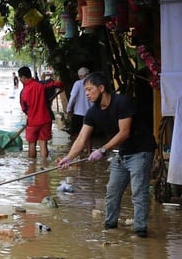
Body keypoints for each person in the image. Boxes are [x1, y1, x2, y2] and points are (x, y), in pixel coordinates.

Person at [57, 71, 156, 238]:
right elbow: (81, 138)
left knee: (138, 193)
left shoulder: (122, 102)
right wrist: (68, 158)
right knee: (112, 191)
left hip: (141, 151)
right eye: (85, 90)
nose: (87, 93)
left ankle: (140, 234)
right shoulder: (92, 112)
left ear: (101, 88)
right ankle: (110, 229)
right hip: (122, 153)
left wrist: (102, 150)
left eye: (90, 89)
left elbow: (124, 132)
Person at [18, 66, 63, 160]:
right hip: (46, 119)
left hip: (32, 121)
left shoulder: (23, 92)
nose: (20, 80)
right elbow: (59, 84)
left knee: (31, 144)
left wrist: (31, 114)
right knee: (43, 143)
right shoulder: (42, 85)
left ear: (23, 77)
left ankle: (32, 165)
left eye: (20, 78)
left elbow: (24, 108)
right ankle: (44, 164)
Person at [66, 67, 93, 137]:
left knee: (78, 135)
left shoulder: (78, 83)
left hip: (79, 114)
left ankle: (79, 145)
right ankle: (89, 145)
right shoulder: (93, 83)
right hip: (91, 113)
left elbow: (73, 97)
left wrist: (68, 109)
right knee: (89, 136)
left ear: (80, 76)